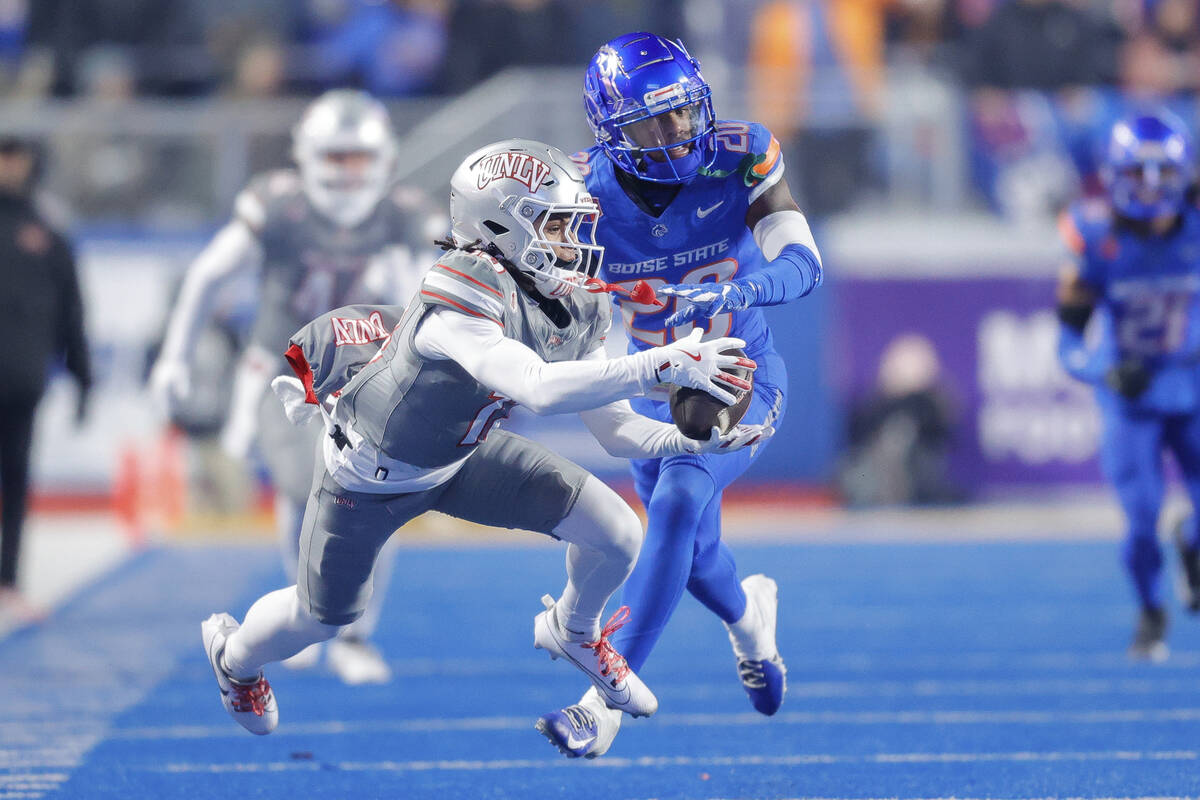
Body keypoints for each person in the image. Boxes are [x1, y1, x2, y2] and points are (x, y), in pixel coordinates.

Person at [198, 138, 773, 736]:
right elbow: (536, 387)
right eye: (554, 226)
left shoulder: (578, 304)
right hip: (370, 476)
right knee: (321, 619)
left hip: (462, 457)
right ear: (499, 224)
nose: (571, 244)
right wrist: (660, 366)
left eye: (574, 227)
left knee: (619, 534)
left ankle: (574, 630)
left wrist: (689, 444)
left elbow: (617, 430)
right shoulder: (462, 285)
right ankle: (234, 660)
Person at [536, 32, 823, 759]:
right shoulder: (580, 196)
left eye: (681, 113)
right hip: (659, 384)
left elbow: (802, 261)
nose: (673, 134)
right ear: (608, 131)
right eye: (649, 122)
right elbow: (538, 291)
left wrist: (741, 288)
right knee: (692, 556)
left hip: (742, 372)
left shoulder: (741, 152)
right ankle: (751, 617)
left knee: (675, 503)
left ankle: (601, 704)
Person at [151, 89, 435, 685]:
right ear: (307, 155)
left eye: (358, 157)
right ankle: (310, 610)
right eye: (336, 157)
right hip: (287, 372)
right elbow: (206, 276)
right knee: (299, 487)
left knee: (382, 500)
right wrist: (174, 357)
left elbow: (430, 300)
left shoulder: (403, 214)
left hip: (370, 375)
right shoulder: (278, 206)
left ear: (381, 157)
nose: (347, 171)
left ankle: (354, 633)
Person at [1056, 110, 1200, 662]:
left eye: (1161, 173)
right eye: (1137, 173)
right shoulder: (1096, 237)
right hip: (1132, 395)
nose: (1150, 186)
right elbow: (1066, 344)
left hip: (1191, 383)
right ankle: (1151, 610)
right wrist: (1105, 370)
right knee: (1141, 518)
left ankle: (1189, 542)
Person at [0, 135, 91, 619]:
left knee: (15, 477)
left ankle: (8, 580)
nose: (10, 167)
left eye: (17, 157)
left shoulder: (47, 231)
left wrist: (83, 377)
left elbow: (71, 311)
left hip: (21, 378)